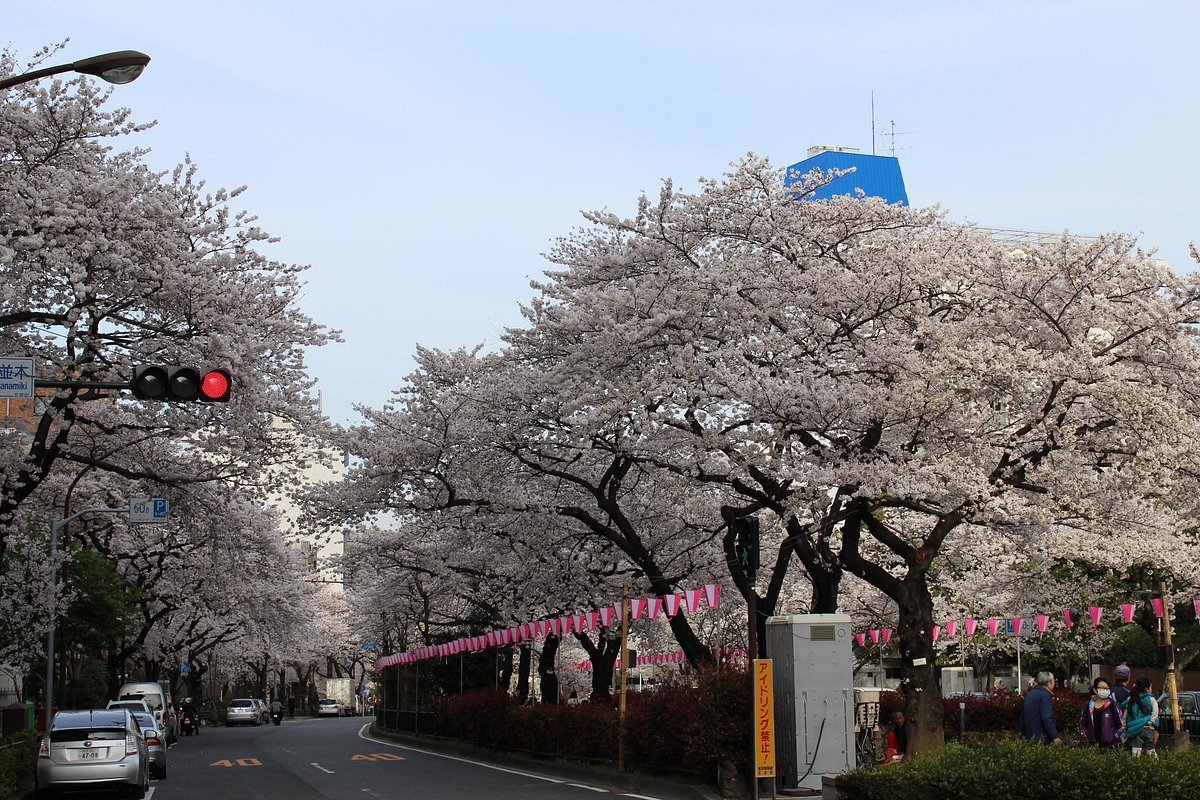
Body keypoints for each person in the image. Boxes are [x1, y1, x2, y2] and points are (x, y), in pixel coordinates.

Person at [1079, 677, 1124, 749]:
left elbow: (1121, 724)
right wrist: (1087, 736)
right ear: (1095, 690)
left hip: (1110, 746)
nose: (1105, 690)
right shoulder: (1088, 705)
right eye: (1102, 688)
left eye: (1107, 688)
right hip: (1093, 746)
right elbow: (1082, 723)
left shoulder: (1113, 705)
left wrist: (1113, 736)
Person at [1018, 671, 1062, 744]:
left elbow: (1022, 717)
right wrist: (1055, 736)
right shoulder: (1044, 696)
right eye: (1054, 681)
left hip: (1029, 737)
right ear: (1049, 683)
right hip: (1041, 738)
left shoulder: (1030, 694)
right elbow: (1047, 718)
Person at [1121, 676, 1159, 757]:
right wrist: (1150, 722)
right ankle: (1154, 762)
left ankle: (1135, 763)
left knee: (1136, 749)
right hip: (1149, 728)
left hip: (1135, 729)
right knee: (1150, 749)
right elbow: (1155, 712)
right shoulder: (1151, 699)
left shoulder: (1131, 699)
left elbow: (1126, 714)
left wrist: (1123, 726)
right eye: (1150, 687)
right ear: (1146, 689)